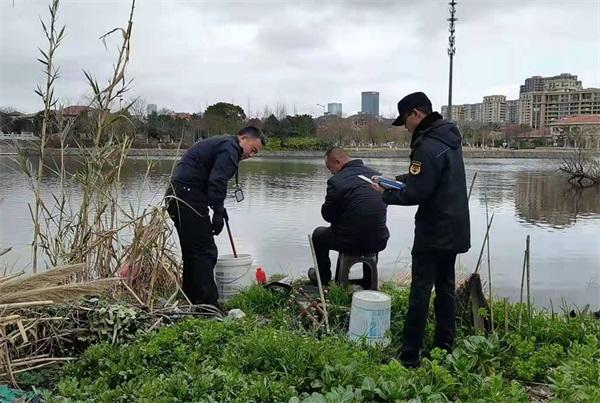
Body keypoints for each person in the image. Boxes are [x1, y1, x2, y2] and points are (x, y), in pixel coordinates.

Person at [371, 92, 470, 367]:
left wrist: (384, 193)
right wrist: (393, 180)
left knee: (420, 292)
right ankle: (444, 348)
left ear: (416, 114)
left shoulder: (426, 146)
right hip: (453, 228)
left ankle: (410, 356)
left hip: (433, 230)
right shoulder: (447, 139)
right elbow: (426, 179)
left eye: (405, 121)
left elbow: (416, 193)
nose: (405, 127)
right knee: (446, 289)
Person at [166, 126, 266, 306]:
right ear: (243, 138)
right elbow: (217, 180)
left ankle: (192, 299)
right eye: (253, 150)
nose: (251, 155)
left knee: (192, 251)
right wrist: (217, 211)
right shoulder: (230, 148)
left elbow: (211, 179)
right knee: (205, 251)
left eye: (255, 153)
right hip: (187, 198)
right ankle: (207, 306)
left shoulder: (223, 144)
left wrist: (218, 206)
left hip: (178, 197)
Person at [309, 147, 389, 288]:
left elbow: (328, 215)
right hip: (379, 239)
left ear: (338, 162)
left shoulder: (337, 181)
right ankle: (369, 280)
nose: (331, 172)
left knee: (318, 235)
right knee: (370, 228)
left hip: (348, 240)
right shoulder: (377, 176)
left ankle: (323, 278)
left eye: (330, 168)